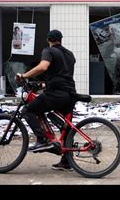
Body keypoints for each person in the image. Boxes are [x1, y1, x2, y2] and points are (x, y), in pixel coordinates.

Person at [15, 29, 76, 172]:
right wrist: (43, 84)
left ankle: (43, 140)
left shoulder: (49, 51)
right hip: (70, 93)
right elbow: (60, 74)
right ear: (61, 39)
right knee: (65, 126)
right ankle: (67, 162)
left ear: (49, 40)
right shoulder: (69, 54)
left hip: (56, 93)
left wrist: (24, 76)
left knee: (28, 110)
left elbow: (44, 67)